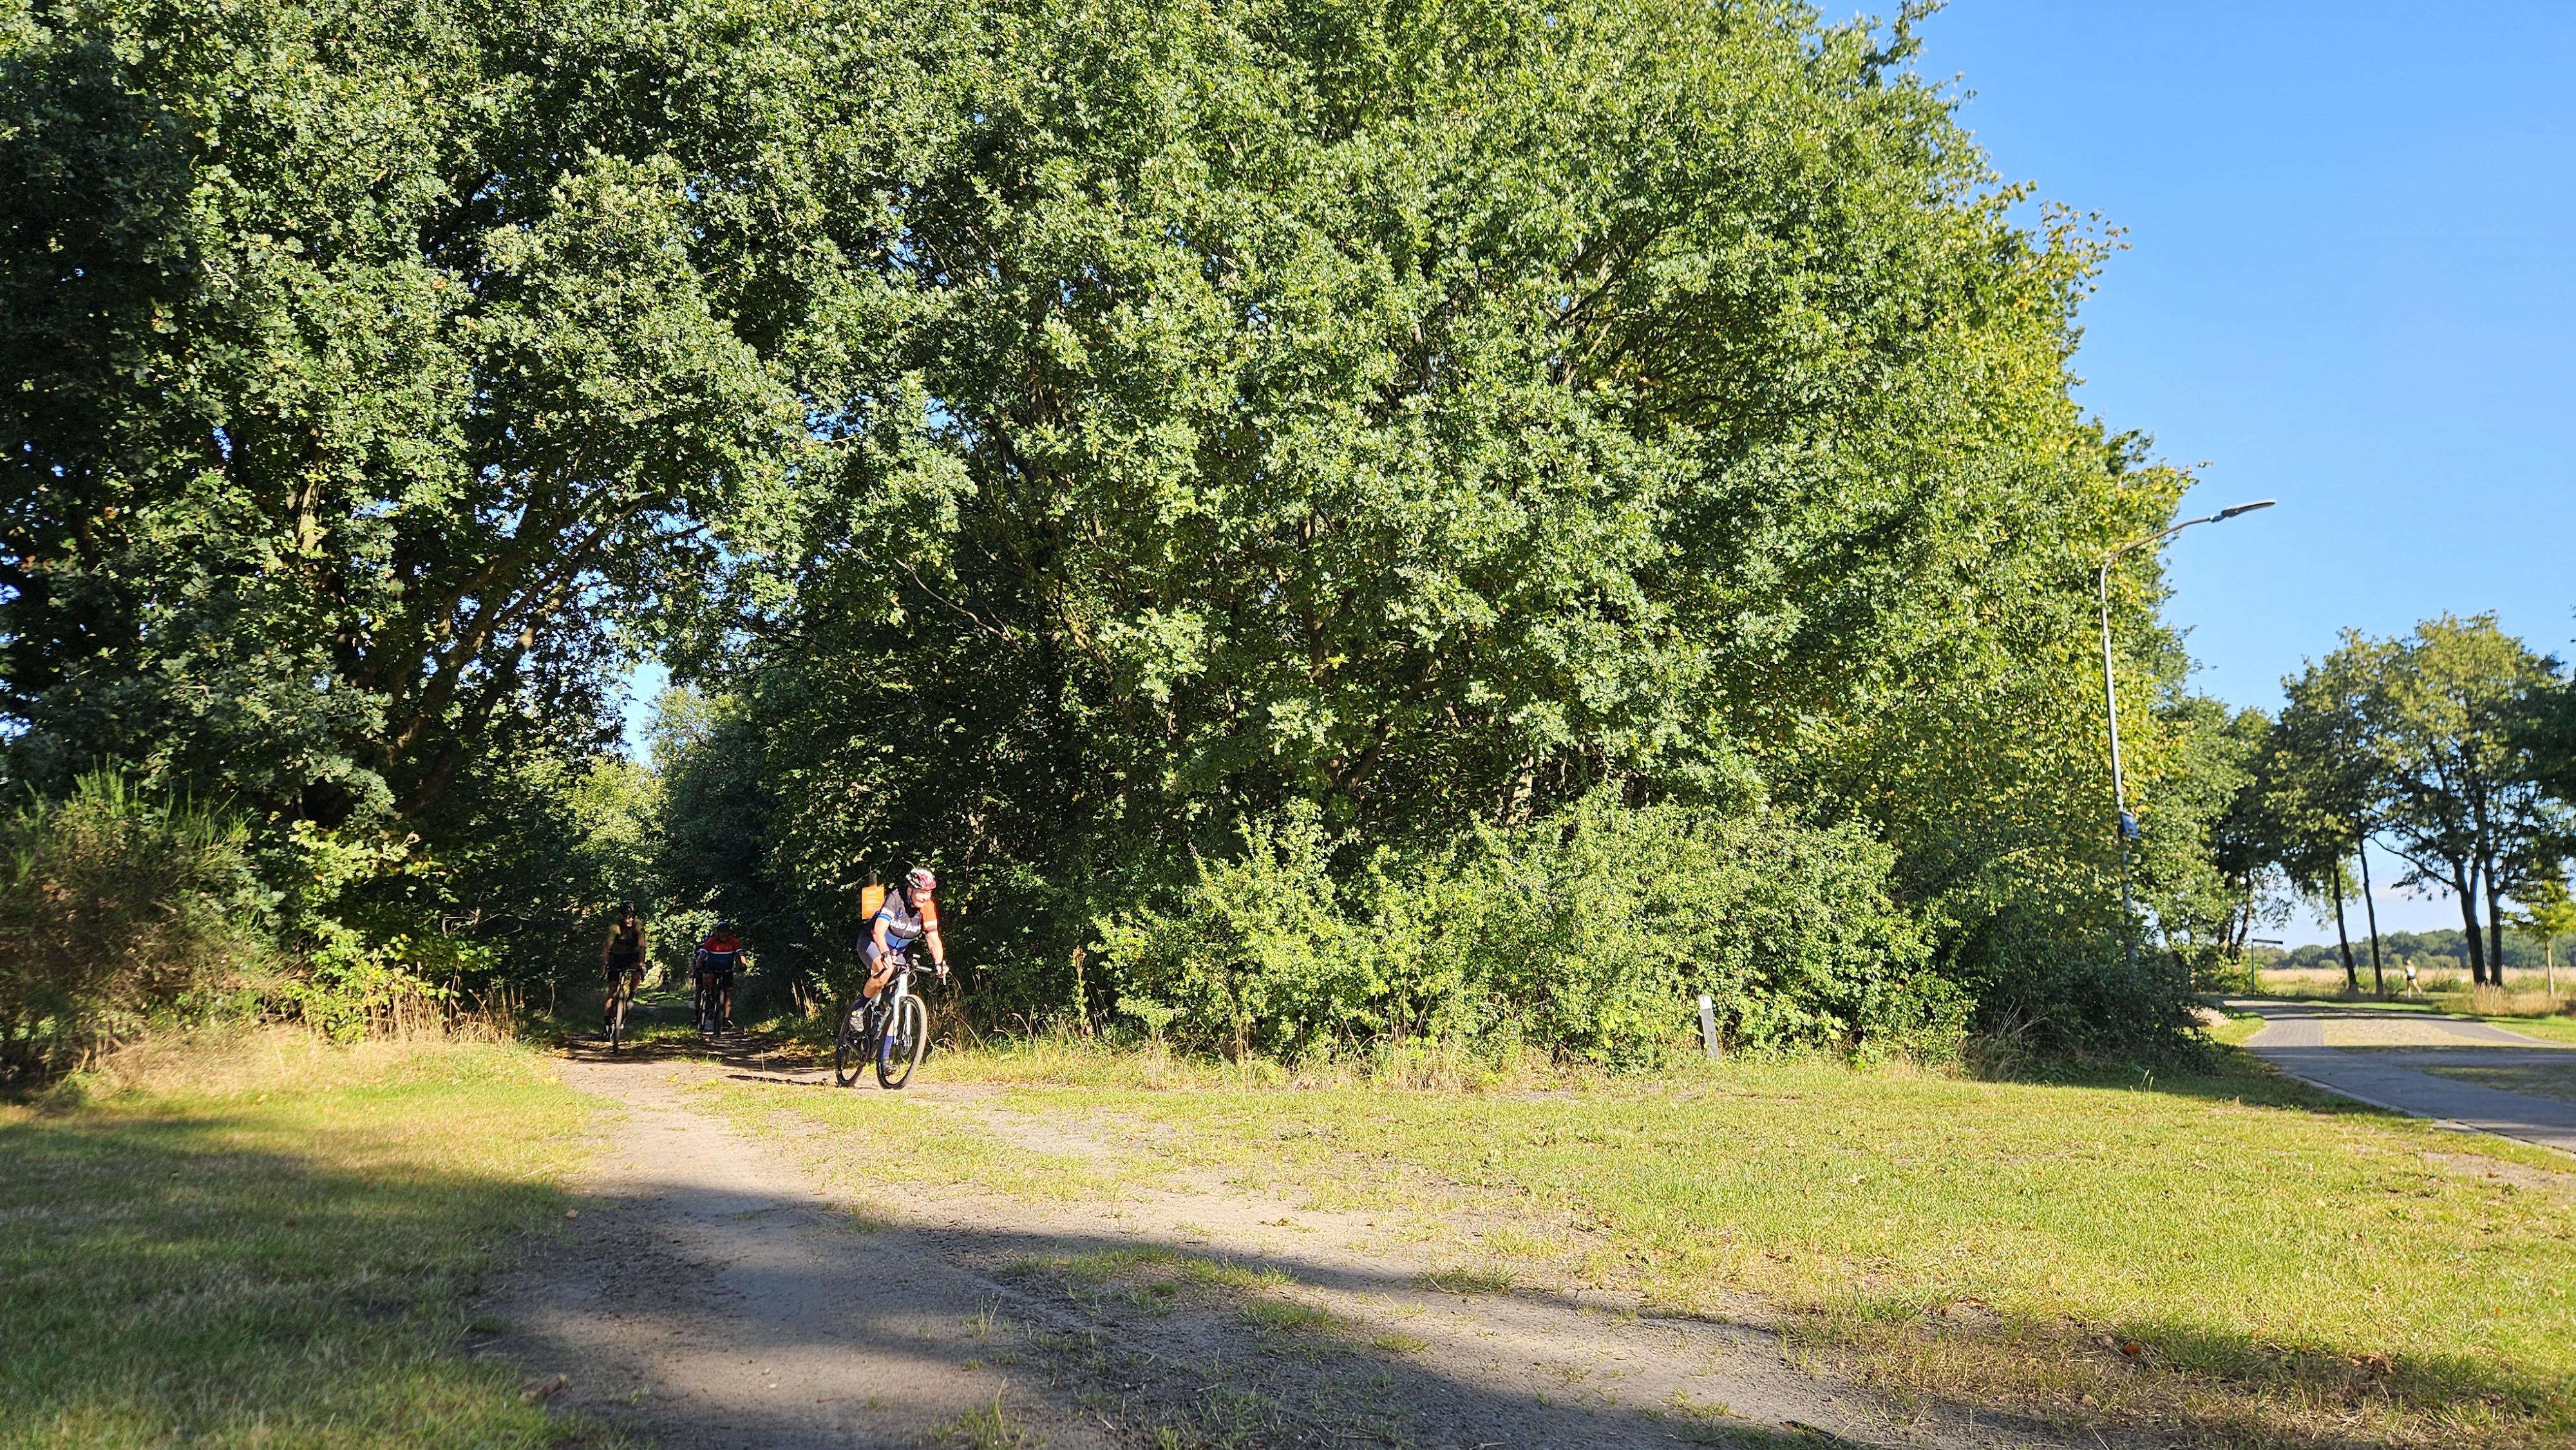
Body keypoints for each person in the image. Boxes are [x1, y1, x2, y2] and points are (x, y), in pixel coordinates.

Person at [862, 867, 948, 1000]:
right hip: (873, 942)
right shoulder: (896, 899)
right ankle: (860, 1007)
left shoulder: (928, 907)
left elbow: (933, 941)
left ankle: (890, 1010)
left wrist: (939, 963)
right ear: (910, 891)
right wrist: (885, 953)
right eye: (922, 893)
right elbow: (879, 932)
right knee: (886, 970)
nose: (926, 898)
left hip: (898, 951)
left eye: (929, 893)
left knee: (900, 984)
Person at [600, 899, 647, 1037]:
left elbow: (642, 946)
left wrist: (641, 963)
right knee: (612, 991)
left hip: (633, 955)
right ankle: (607, 1024)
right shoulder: (615, 927)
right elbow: (607, 946)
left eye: (633, 916)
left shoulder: (638, 925)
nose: (630, 919)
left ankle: (631, 997)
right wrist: (605, 964)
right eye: (627, 916)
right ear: (621, 915)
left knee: (636, 973)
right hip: (616, 956)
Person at [694, 920, 746, 1034]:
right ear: (718, 932)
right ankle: (708, 996)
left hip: (727, 969)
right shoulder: (711, 941)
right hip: (712, 968)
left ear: (728, 932)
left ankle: (725, 1020)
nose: (723, 934)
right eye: (721, 932)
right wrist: (698, 965)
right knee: (708, 979)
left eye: (725, 932)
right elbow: (702, 955)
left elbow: (740, 954)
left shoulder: (734, 942)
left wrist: (743, 964)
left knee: (727, 993)